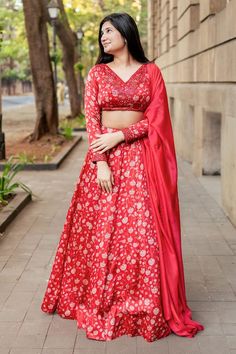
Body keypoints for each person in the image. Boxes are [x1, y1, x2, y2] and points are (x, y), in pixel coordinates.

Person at [41, 12, 204, 342]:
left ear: (126, 34)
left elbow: (157, 119)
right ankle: (102, 296)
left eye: (109, 31)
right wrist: (101, 160)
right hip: (103, 162)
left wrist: (122, 135)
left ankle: (141, 302)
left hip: (141, 160)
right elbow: (91, 119)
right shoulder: (97, 74)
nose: (103, 37)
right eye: (101, 32)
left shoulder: (151, 72)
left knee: (141, 232)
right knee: (102, 232)